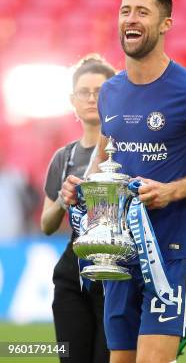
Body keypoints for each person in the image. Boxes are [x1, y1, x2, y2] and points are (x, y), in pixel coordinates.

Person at [61, 0, 186, 363]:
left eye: (142, 11)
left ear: (165, 25)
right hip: (119, 251)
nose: (131, 18)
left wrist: (171, 191)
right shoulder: (110, 92)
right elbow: (107, 157)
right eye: (125, 11)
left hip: (172, 251)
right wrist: (83, 188)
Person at [41, 54, 116, 363]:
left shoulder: (128, 150)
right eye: (84, 92)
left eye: (100, 92)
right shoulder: (64, 157)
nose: (91, 99)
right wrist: (63, 197)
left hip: (116, 273)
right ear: (72, 100)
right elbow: (46, 224)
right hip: (72, 273)